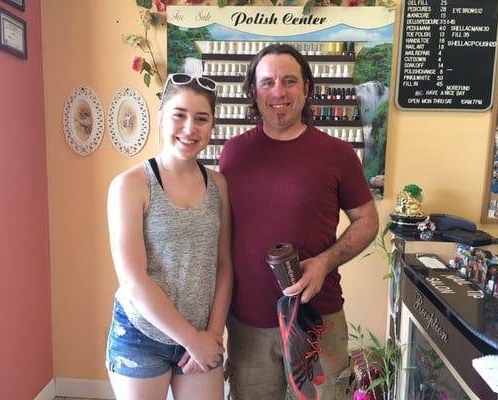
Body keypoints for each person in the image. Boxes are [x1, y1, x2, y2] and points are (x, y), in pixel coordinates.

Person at [219, 43, 379, 399]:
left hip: (318, 320)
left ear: (307, 88)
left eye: (289, 81)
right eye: (267, 82)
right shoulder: (234, 153)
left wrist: (325, 262)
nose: (278, 91)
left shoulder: (337, 154)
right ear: (253, 91)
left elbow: (367, 220)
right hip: (249, 324)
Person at [105, 73, 233, 400]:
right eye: (179, 115)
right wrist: (191, 338)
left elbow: (224, 265)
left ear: (211, 126)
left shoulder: (218, 185)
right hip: (141, 336)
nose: (190, 128)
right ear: (161, 118)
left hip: (202, 334)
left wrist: (212, 335)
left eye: (201, 118)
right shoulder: (130, 185)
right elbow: (134, 280)